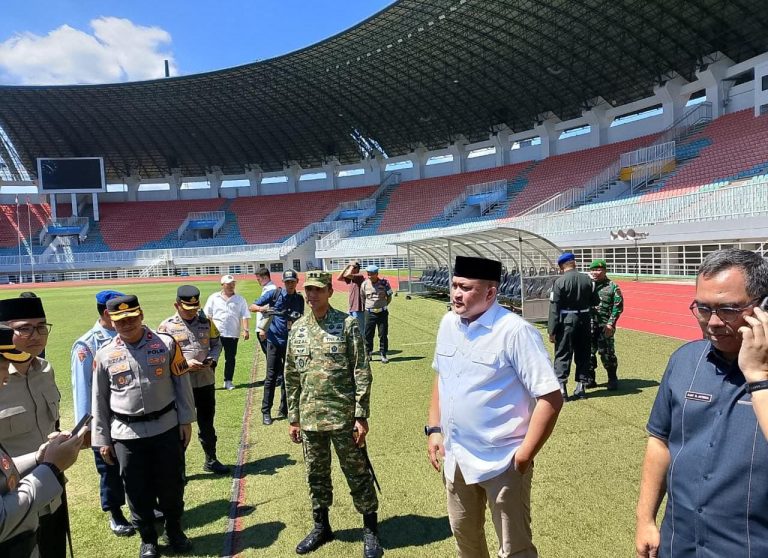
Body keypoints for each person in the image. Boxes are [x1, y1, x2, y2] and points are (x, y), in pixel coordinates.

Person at [427, 256, 563, 558]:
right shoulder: (448, 323)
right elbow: (442, 377)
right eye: (454, 286)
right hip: (457, 457)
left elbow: (551, 398)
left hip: (502, 461)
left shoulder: (514, 331)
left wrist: (525, 455)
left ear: (490, 292)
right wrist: (434, 429)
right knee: (466, 539)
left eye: (466, 288)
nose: (456, 294)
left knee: (514, 548)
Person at [635, 249, 768, 558]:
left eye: (729, 309)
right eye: (704, 308)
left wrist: (759, 377)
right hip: (677, 545)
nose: (714, 322)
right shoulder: (684, 360)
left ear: (763, 307)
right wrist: (645, 519)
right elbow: (659, 442)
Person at [284, 271, 383, 557]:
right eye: (308, 290)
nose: (312, 295)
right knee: (316, 475)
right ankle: (321, 526)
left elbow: (361, 369)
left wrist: (361, 414)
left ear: (329, 291)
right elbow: (291, 376)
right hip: (310, 418)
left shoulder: (347, 323)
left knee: (357, 473)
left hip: (343, 417)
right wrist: (294, 418)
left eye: (317, 290)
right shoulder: (298, 329)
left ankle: (370, 530)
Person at [92, 295, 196, 558]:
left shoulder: (166, 344)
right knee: (136, 489)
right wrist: (102, 439)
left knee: (172, 484)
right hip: (126, 435)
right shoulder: (104, 355)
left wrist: (186, 420)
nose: (127, 324)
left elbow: (182, 384)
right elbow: (99, 400)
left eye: (131, 318)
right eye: (120, 320)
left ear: (141, 315)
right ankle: (148, 539)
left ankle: (175, 532)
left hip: (166, 427)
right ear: (111, 321)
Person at [0, 324, 82, 558]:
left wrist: (40, 457)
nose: (6, 378)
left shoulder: (45, 370)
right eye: (2, 369)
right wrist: (50, 468)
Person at [70, 289, 135, 537]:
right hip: (103, 421)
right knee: (108, 468)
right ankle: (116, 515)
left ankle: (141, 505)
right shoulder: (87, 344)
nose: (127, 319)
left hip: (128, 417)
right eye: (121, 313)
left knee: (133, 464)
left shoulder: (128, 335)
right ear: (108, 313)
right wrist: (86, 427)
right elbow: (82, 388)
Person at [158, 285, 229, 475]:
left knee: (207, 423)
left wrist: (212, 359)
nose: (192, 313)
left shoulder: (207, 323)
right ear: (176, 305)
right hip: (181, 386)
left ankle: (211, 460)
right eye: (187, 309)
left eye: (195, 309)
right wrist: (185, 365)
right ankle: (179, 468)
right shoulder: (166, 327)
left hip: (205, 381)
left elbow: (217, 344)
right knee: (179, 427)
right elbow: (162, 359)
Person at [250, 269, 305, 425]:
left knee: (289, 377)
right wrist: (264, 309)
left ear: (296, 282)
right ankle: (266, 412)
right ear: (283, 282)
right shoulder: (274, 294)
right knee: (271, 377)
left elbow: (300, 318)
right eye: (287, 282)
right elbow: (252, 306)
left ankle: (285, 408)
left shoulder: (299, 299)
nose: (290, 284)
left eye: (292, 282)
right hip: (274, 341)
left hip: (291, 343)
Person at [547, 252, 597, 400]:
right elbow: (595, 301)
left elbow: (554, 308)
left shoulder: (559, 282)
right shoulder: (588, 280)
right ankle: (581, 387)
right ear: (574, 263)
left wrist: (552, 330)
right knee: (583, 353)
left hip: (566, 321)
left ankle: (562, 388)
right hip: (585, 320)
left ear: (562, 266)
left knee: (563, 353)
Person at [203, 275, 251, 390]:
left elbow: (245, 315)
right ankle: (210, 382)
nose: (231, 286)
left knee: (230, 358)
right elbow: (207, 314)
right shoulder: (214, 298)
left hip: (232, 333)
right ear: (222, 285)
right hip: (216, 335)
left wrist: (246, 330)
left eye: (233, 283)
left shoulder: (240, 299)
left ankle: (228, 381)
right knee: (212, 358)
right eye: (228, 284)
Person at [588, 259, 624, 391]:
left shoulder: (613, 286)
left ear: (604, 270)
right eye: (593, 270)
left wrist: (611, 324)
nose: (596, 272)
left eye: (599, 270)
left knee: (607, 353)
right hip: (589, 325)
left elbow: (618, 306)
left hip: (605, 326)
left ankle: (612, 378)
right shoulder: (588, 285)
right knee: (588, 354)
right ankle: (590, 379)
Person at [361, 265, 393, 364]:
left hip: (382, 313)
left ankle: (383, 354)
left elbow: (389, 296)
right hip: (370, 313)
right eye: (368, 274)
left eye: (371, 274)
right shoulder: (364, 284)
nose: (369, 276)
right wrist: (369, 307)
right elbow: (363, 297)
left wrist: (383, 305)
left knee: (383, 334)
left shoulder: (384, 283)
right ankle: (369, 353)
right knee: (368, 334)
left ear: (376, 274)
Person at [254, 268, 277, 356]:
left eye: (258, 279)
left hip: (265, 327)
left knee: (270, 355)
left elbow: (269, 310)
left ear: (265, 277)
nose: (258, 281)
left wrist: (263, 329)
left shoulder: (270, 289)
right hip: (264, 327)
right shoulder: (268, 288)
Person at [337, 260, 366, 332]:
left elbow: (347, 275)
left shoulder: (359, 276)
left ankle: (364, 343)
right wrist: (347, 266)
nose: (349, 269)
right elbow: (339, 278)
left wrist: (351, 265)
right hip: (351, 308)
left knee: (360, 330)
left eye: (351, 267)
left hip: (359, 308)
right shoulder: (352, 279)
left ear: (356, 268)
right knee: (349, 329)